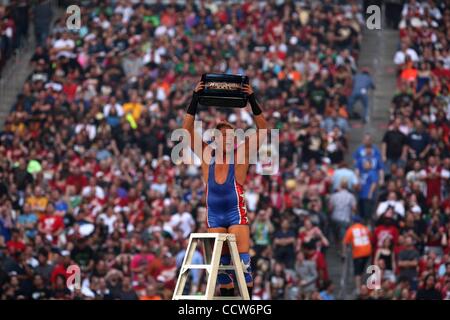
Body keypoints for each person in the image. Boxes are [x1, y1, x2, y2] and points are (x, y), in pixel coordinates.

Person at [181, 81, 268, 297]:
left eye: (229, 136)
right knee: (221, 270)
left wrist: (252, 100)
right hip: (215, 216)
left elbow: (264, 130)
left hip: (235, 214)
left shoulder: (241, 157)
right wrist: (195, 98)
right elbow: (186, 130)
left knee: (243, 266)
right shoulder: (206, 156)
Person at [343, 216, 372, 292]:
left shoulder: (351, 229)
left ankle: (358, 289)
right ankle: (361, 286)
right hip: (367, 251)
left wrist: (344, 253)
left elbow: (345, 242)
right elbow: (370, 237)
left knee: (357, 272)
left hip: (358, 252)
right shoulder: (365, 228)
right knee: (362, 270)